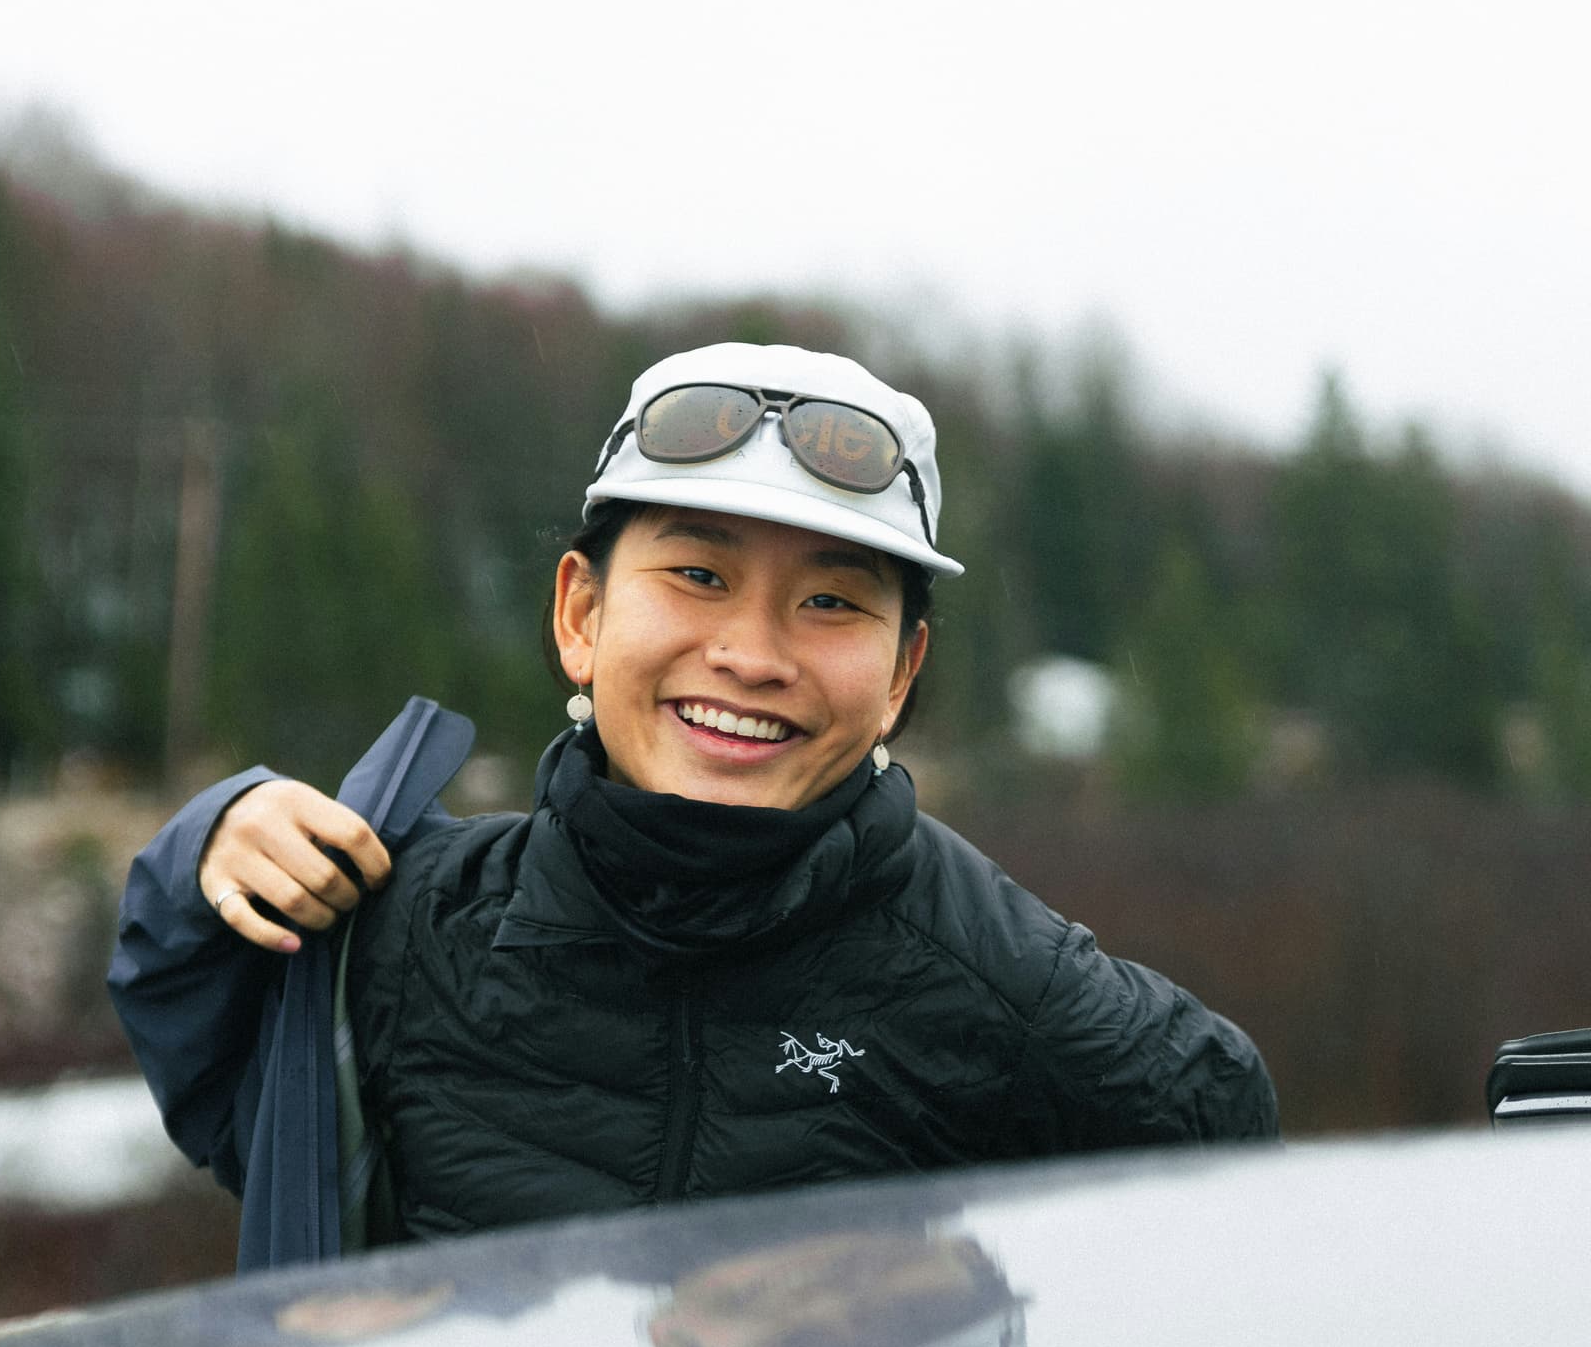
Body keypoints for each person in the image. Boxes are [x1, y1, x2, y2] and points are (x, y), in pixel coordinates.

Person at [110, 340, 1277, 1269]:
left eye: (830, 603)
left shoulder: (999, 974)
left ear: (902, 675)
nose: (751, 653)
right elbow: (215, 1065)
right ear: (581, 614)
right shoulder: (404, 926)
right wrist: (207, 840)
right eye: (698, 575)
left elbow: (1230, 1170)